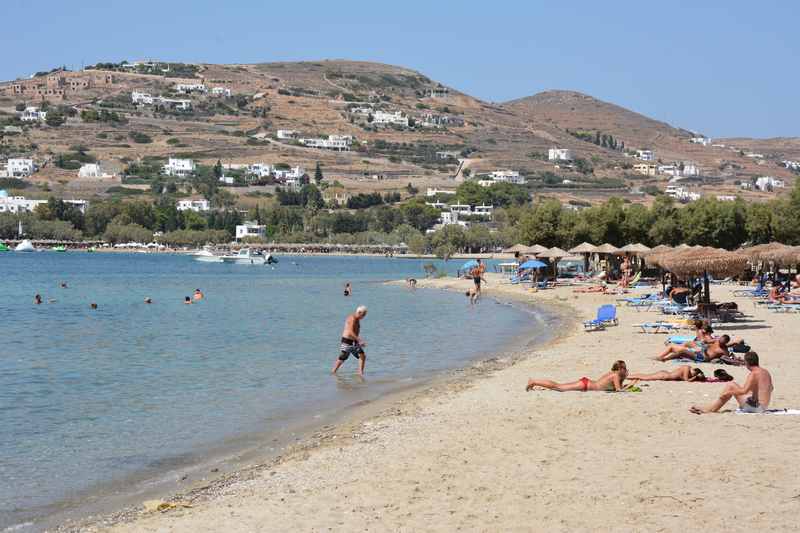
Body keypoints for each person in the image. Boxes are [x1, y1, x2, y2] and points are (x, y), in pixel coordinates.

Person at [690, 352, 773, 414]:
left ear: (747, 362)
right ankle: (712, 408)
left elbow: (743, 391)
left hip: (756, 408)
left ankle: (711, 409)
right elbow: (771, 388)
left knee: (731, 386)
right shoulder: (765, 372)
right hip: (764, 406)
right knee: (734, 386)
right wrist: (754, 394)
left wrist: (728, 393)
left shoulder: (754, 374)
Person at [526, 360, 628, 392]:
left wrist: (624, 379)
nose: (625, 370)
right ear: (620, 369)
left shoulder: (614, 374)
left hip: (586, 383)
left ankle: (535, 382)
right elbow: (618, 390)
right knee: (559, 387)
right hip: (586, 385)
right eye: (624, 368)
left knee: (559, 386)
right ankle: (534, 381)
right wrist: (632, 383)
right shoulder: (615, 376)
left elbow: (617, 386)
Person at [332, 305, 368, 376]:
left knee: (362, 355)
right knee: (343, 357)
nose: (363, 317)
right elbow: (350, 331)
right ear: (359, 312)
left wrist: (357, 341)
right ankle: (333, 372)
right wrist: (360, 340)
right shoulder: (352, 318)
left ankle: (360, 373)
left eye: (365, 315)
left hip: (354, 341)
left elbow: (355, 331)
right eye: (363, 315)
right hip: (347, 341)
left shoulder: (357, 319)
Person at [655, 334, 730, 362]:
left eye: (722, 342)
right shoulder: (716, 341)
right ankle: (664, 356)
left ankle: (665, 359)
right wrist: (704, 343)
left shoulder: (724, 350)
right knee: (688, 344)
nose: (720, 342)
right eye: (720, 340)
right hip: (701, 352)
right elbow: (706, 341)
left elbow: (727, 358)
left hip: (703, 358)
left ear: (725, 343)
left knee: (682, 352)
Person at [628, 365, 706, 382]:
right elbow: (686, 380)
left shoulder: (688, 369)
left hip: (665, 374)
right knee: (645, 377)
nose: (692, 375)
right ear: (695, 371)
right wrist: (695, 378)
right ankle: (627, 377)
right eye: (693, 374)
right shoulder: (687, 368)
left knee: (645, 376)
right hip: (664, 375)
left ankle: (627, 376)